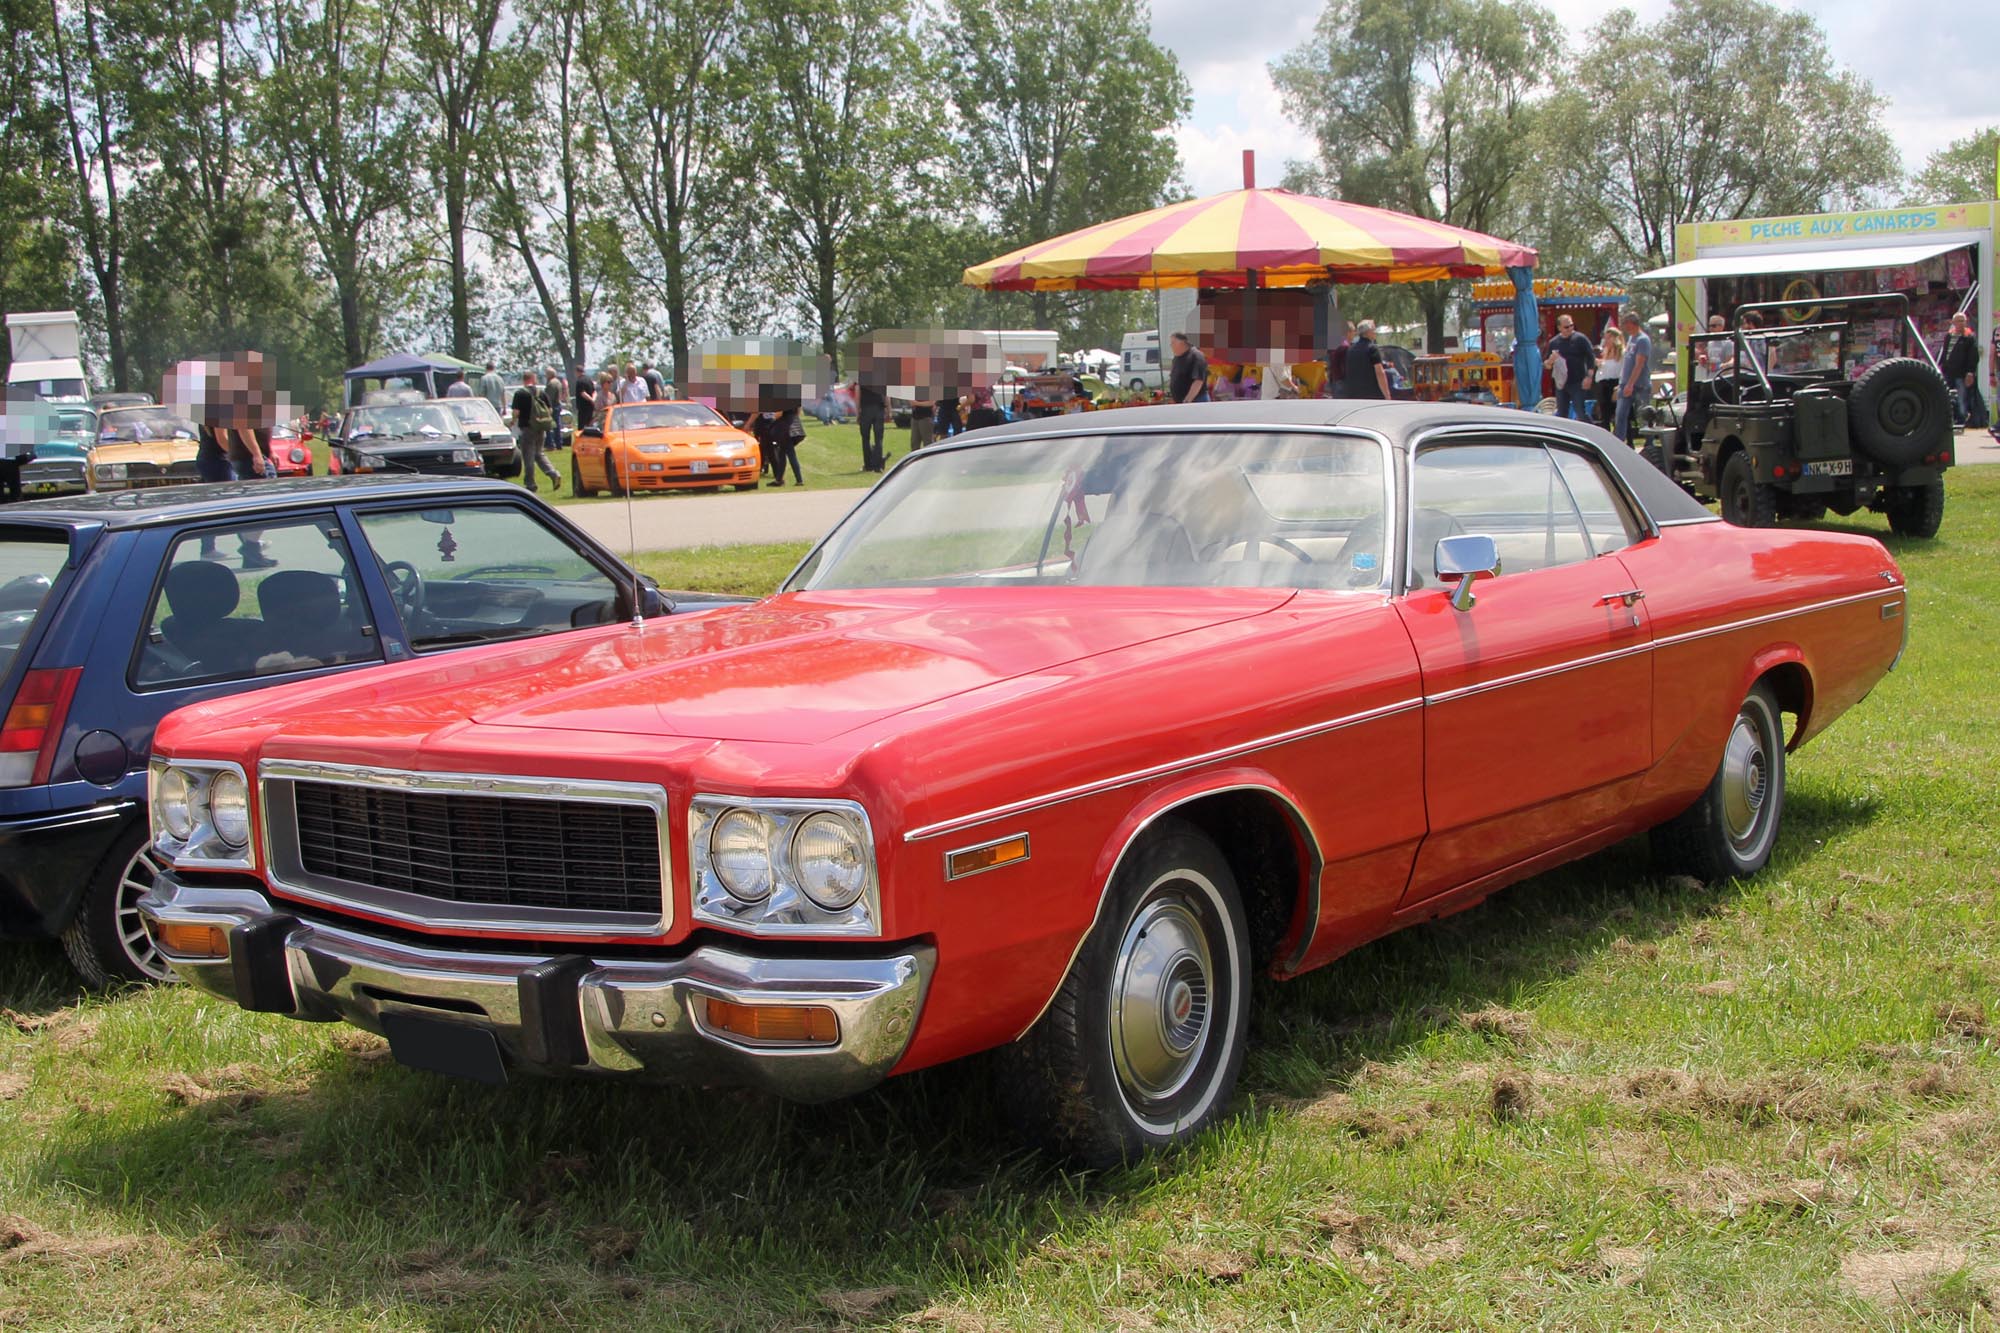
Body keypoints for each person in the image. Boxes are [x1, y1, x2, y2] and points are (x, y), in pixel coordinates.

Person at [511, 369, 559, 493]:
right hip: (540, 428)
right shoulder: (541, 392)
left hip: (527, 427)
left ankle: (530, 484)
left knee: (528, 457)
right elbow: (550, 410)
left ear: (524, 380)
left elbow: (516, 412)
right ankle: (553, 473)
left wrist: (512, 421)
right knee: (539, 453)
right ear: (533, 379)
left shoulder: (520, 394)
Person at [1942, 311, 1986, 427]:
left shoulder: (1969, 338)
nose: (1962, 323)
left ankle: (1962, 419)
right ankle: (1950, 419)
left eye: (1963, 321)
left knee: (1962, 397)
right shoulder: (1949, 336)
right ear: (1953, 322)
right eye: (1959, 321)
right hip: (1948, 373)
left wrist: (1970, 372)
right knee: (1946, 396)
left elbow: (1973, 356)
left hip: (1961, 374)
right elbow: (1945, 354)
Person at [1613, 310, 1652, 444]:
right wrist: (1622, 381)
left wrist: (1630, 384)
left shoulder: (1643, 340)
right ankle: (1618, 443)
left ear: (1631, 324)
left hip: (1639, 385)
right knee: (1620, 416)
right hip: (1625, 384)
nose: (1623, 327)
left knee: (1643, 416)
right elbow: (1627, 362)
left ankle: (1649, 444)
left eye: (1624, 324)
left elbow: (1639, 364)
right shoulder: (1631, 338)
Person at [1549, 315, 1596, 422]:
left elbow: (1591, 357)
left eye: (1571, 325)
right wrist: (1551, 360)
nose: (1570, 328)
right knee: (1562, 413)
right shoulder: (1554, 342)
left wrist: (1589, 377)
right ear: (1559, 327)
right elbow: (1547, 365)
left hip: (1578, 381)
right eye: (1566, 327)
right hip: (1561, 383)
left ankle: (1591, 432)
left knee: (1580, 411)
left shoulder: (1581, 339)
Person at [1341, 320, 1389, 399]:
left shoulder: (1350, 349)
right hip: (1372, 395)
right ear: (1368, 332)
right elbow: (1379, 372)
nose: (1375, 332)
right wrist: (1387, 395)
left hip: (1353, 395)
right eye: (1374, 329)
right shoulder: (1372, 348)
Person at [1168, 332, 1210, 404]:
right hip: (1181, 402)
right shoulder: (1176, 358)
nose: (1170, 345)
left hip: (1196, 401)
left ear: (1182, 342)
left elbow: (1198, 381)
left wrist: (1187, 401)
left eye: (1173, 342)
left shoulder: (1196, 356)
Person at [1594, 326, 1623, 429]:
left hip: (1614, 384)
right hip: (1603, 385)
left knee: (1619, 414)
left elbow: (1621, 370)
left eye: (1608, 338)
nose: (1605, 341)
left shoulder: (1621, 354)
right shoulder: (1605, 352)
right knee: (1604, 416)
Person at [768, 406, 805, 486]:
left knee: (791, 455)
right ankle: (779, 480)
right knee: (782, 454)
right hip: (794, 425)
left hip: (785, 428)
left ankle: (799, 480)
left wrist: (773, 418)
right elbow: (799, 410)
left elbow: (778, 414)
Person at [856, 380, 887, 472]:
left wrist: (857, 412)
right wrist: (888, 408)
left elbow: (857, 395)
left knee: (865, 438)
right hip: (879, 408)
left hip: (866, 409)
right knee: (879, 438)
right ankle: (878, 466)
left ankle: (868, 465)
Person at [542, 367, 567, 459]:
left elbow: (548, 397)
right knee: (557, 426)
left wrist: (546, 406)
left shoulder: (551, 384)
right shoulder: (557, 382)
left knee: (549, 426)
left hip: (552, 406)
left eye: (546, 374)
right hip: (557, 405)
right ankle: (559, 443)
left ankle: (550, 444)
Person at [1326, 321, 1356, 397]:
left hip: (1334, 380)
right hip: (1343, 381)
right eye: (1354, 331)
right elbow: (1346, 366)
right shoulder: (1345, 347)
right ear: (1348, 332)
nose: (1355, 334)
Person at [573, 364, 596, 432]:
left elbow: (582, 393)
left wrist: (591, 400)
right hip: (590, 407)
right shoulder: (589, 380)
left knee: (582, 427)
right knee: (589, 425)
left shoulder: (579, 381)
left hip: (583, 407)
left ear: (577, 372)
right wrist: (593, 400)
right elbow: (594, 391)